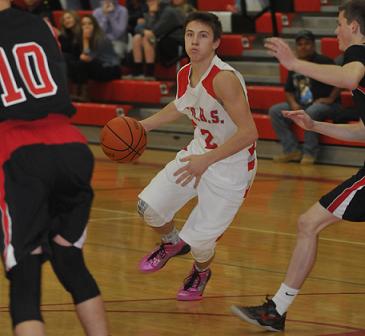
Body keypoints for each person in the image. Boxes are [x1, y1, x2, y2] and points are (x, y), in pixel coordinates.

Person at [231, 0, 365, 331]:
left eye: (339, 23)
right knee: (309, 224)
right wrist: (316, 127)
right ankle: (276, 310)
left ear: (354, 27)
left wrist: (294, 63)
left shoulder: (358, 55)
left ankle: (276, 310)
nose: (335, 30)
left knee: (309, 223)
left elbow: (348, 77)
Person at [0, 1, 109, 335]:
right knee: (68, 258)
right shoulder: (44, 26)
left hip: (18, 150)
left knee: (26, 271)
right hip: (72, 146)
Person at [137, 11, 258, 300]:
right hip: (198, 152)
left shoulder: (223, 78)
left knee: (199, 243)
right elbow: (180, 106)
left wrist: (208, 160)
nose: (194, 41)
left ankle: (201, 271)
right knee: (148, 207)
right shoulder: (184, 72)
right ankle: (170, 243)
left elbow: (249, 132)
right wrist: (144, 125)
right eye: (190, 34)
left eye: (203, 36)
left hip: (232, 166)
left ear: (216, 42)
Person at [269, 30, 341, 165]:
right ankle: (292, 150)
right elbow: (288, 91)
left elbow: (340, 81)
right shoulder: (293, 65)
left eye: (307, 43)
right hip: (303, 103)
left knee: (311, 112)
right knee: (275, 111)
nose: (303, 47)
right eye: (300, 44)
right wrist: (293, 104)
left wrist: (330, 98)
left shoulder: (324, 61)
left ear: (314, 45)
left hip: (327, 105)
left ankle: (309, 153)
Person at [131, 0, 185, 78]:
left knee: (147, 38)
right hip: (159, 40)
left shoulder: (169, 11)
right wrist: (144, 30)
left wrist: (151, 15)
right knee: (137, 38)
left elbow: (155, 30)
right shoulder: (155, 10)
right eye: (148, 1)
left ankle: (149, 74)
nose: (148, 3)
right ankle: (137, 72)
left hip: (173, 44)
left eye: (151, 1)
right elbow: (137, 28)